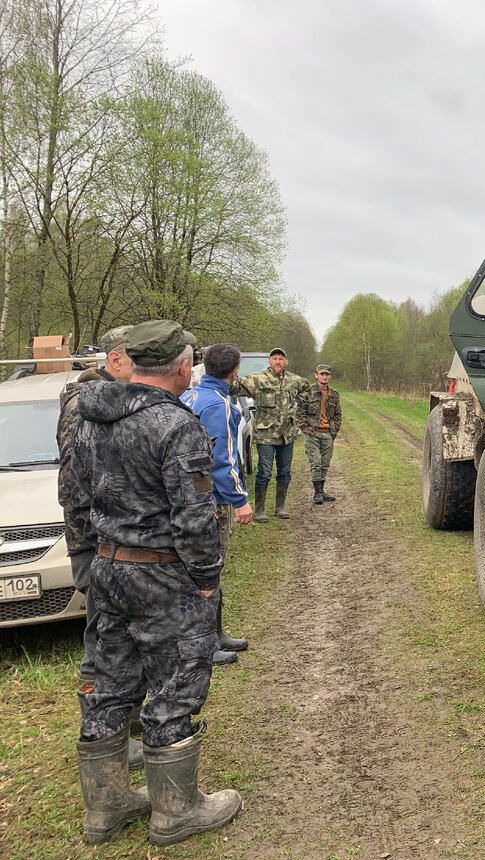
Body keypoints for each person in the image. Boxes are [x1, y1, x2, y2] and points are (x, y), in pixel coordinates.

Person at [69, 319, 240, 845]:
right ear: (183, 366)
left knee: (108, 683)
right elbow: (194, 514)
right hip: (163, 574)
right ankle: (176, 811)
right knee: (175, 685)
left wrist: (98, 550)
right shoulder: (176, 424)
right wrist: (206, 579)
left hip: (107, 567)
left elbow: (76, 496)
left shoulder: (89, 415)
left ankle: (105, 808)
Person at [57, 325, 145, 768]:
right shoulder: (84, 406)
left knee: (121, 636)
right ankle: (103, 739)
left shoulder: (109, 400)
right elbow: (78, 485)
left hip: (109, 543)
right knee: (102, 640)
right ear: (115, 360)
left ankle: (126, 722)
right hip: (94, 544)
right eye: (137, 359)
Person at [181, 344, 253, 664]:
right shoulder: (219, 404)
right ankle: (206, 644)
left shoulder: (190, 395)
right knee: (210, 568)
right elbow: (222, 460)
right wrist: (239, 500)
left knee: (205, 567)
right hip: (212, 500)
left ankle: (216, 633)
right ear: (235, 372)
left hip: (189, 497)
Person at [229, 347, 308, 521]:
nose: (277, 361)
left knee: (285, 471)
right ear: (269, 361)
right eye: (274, 358)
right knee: (264, 471)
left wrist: (298, 406)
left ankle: (280, 508)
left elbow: (307, 391)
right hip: (266, 435)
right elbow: (234, 388)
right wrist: (226, 373)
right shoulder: (258, 379)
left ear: (286, 361)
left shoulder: (294, 380)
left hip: (287, 434)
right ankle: (259, 510)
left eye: (281, 358)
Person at [298, 363, 341, 504]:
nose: (324, 377)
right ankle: (317, 492)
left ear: (330, 376)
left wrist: (333, 430)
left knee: (325, 463)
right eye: (322, 374)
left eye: (327, 374)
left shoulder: (334, 395)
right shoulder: (307, 393)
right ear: (316, 375)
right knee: (315, 462)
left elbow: (338, 415)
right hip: (313, 434)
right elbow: (300, 413)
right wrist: (307, 430)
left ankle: (321, 491)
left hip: (328, 434)